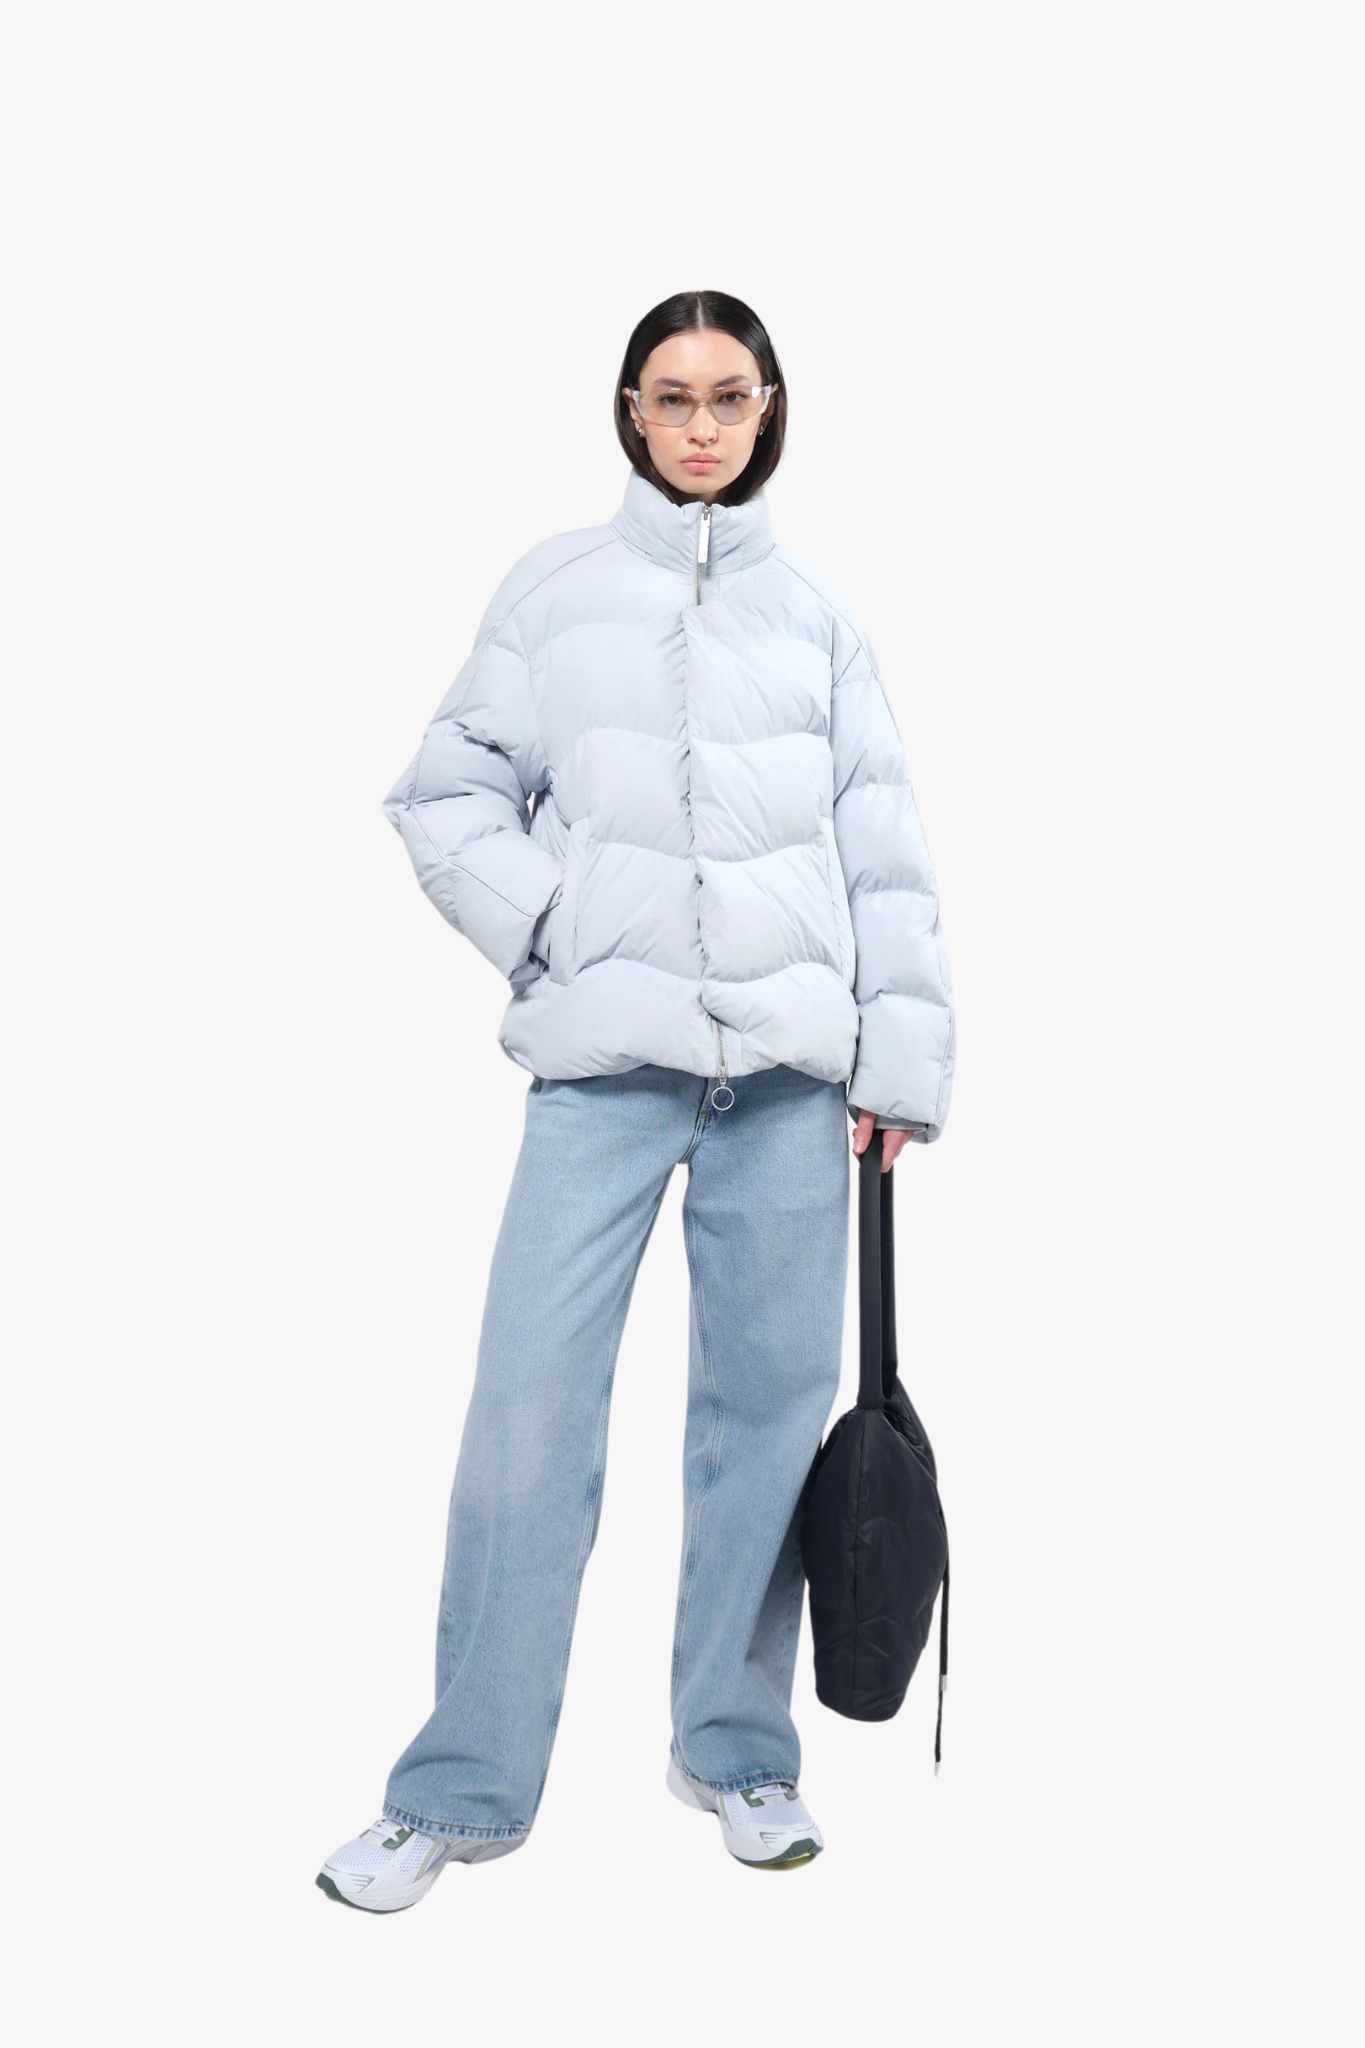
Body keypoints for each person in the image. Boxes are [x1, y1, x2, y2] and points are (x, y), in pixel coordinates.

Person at [317, 290, 955, 1909]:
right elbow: (444, 793)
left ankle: (738, 1752)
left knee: (762, 1435)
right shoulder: (556, 594)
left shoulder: (818, 617)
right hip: (600, 1081)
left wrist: (898, 1070)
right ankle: (458, 1791)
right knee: (527, 1427)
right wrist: (554, 926)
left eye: (729, 396)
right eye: (672, 397)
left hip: (792, 1091)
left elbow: (883, 852)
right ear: (630, 411)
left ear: (768, 410)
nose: (701, 425)